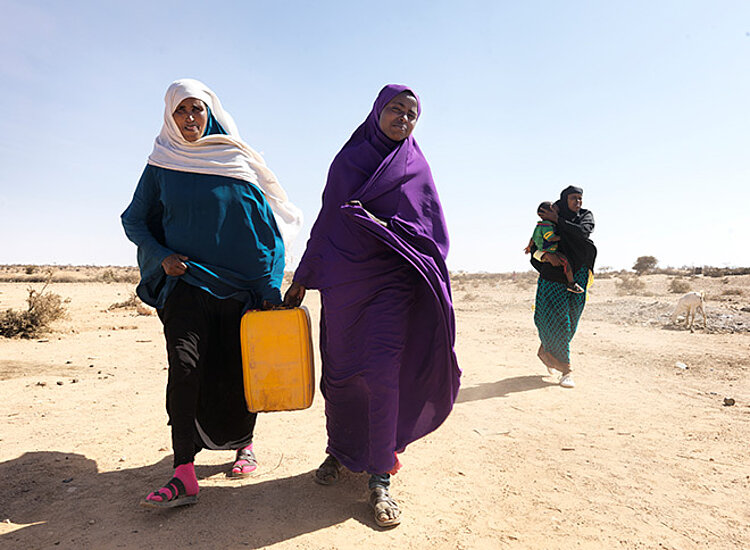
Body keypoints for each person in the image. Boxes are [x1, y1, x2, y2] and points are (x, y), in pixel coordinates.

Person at [282, 85, 460, 528]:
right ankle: (339, 453)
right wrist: (303, 277)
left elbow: (432, 235)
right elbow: (326, 220)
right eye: (396, 110)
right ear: (377, 112)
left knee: (382, 374)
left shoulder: (415, 166)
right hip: (344, 286)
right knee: (341, 377)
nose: (404, 118)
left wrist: (384, 226)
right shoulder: (347, 161)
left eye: (412, 114)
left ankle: (380, 475)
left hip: (392, 286)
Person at [121, 78, 301, 508]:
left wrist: (268, 289)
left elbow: (266, 231)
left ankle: (245, 445)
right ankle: (184, 469)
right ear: (169, 115)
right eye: (180, 111)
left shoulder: (236, 161)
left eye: (196, 110)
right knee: (184, 371)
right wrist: (162, 255)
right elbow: (134, 220)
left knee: (239, 372)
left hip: (242, 291)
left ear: (210, 113)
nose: (188, 119)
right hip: (188, 284)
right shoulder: (162, 163)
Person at [530, 186, 596, 389]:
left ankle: (547, 352)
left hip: (580, 274)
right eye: (574, 198)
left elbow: (582, 233)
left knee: (572, 319)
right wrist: (545, 255)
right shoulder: (552, 212)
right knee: (556, 318)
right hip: (553, 275)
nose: (578, 202)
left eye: (580, 198)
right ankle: (566, 369)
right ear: (564, 199)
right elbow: (534, 245)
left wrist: (559, 221)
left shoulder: (584, 216)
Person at [525, 201, 584, 293]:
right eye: (554, 207)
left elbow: (533, 239)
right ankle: (571, 283)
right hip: (549, 258)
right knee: (565, 262)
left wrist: (529, 247)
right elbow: (550, 238)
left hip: (543, 255)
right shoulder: (548, 226)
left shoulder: (539, 226)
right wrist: (563, 238)